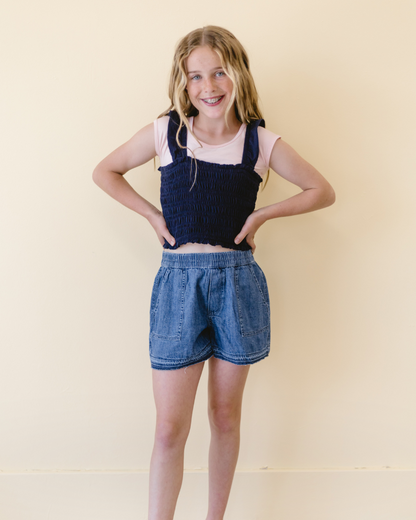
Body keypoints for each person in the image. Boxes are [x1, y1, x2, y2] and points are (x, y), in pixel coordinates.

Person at [93, 25, 335, 520]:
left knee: (225, 417)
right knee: (168, 429)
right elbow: (105, 171)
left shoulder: (260, 142)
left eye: (220, 72)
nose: (209, 86)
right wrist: (151, 215)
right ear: (183, 84)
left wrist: (262, 215)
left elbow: (321, 190)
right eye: (196, 76)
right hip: (178, 285)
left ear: (239, 74)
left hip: (236, 283)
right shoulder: (166, 133)